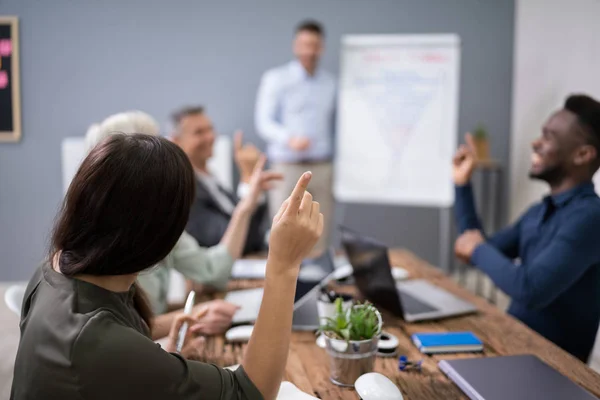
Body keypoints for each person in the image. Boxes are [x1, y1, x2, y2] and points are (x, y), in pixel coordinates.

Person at [11, 134, 322, 399]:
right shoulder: (98, 341)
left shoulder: (52, 270)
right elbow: (249, 392)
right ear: (158, 233)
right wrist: (283, 266)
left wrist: (160, 365)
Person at [84, 111, 266, 339]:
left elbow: (214, 270)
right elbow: (120, 332)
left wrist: (246, 206)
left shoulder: (156, 220)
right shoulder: (104, 242)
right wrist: (192, 316)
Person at [453, 94, 600, 362]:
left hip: (552, 370)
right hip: (510, 345)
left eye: (549, 136)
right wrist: (462, 185)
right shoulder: (540, 211)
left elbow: (530, 290)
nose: (536, 142)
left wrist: (477, 248)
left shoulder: (591, 218)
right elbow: (474, 249)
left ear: (583, 154)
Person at [255, 20, 336, 253]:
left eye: (315, 45)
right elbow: (264, 122)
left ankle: (318, 285)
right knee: (283, 231)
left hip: (321, 167)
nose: (310, 51)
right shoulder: (276, 79)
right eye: (305, 44)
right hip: (287, 167)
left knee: (318, 233)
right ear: (296, 46)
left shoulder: (331, 84)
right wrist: (288, 138)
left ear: (321, 48)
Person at [171, 106, 281, 254]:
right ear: (176, 141)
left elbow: (254, 235)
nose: (209, 137)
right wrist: (248, 180)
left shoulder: (212, 180)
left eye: (210, 129)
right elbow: (231, 242)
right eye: (199, 132)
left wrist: (252, 185)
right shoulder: (185, 192)